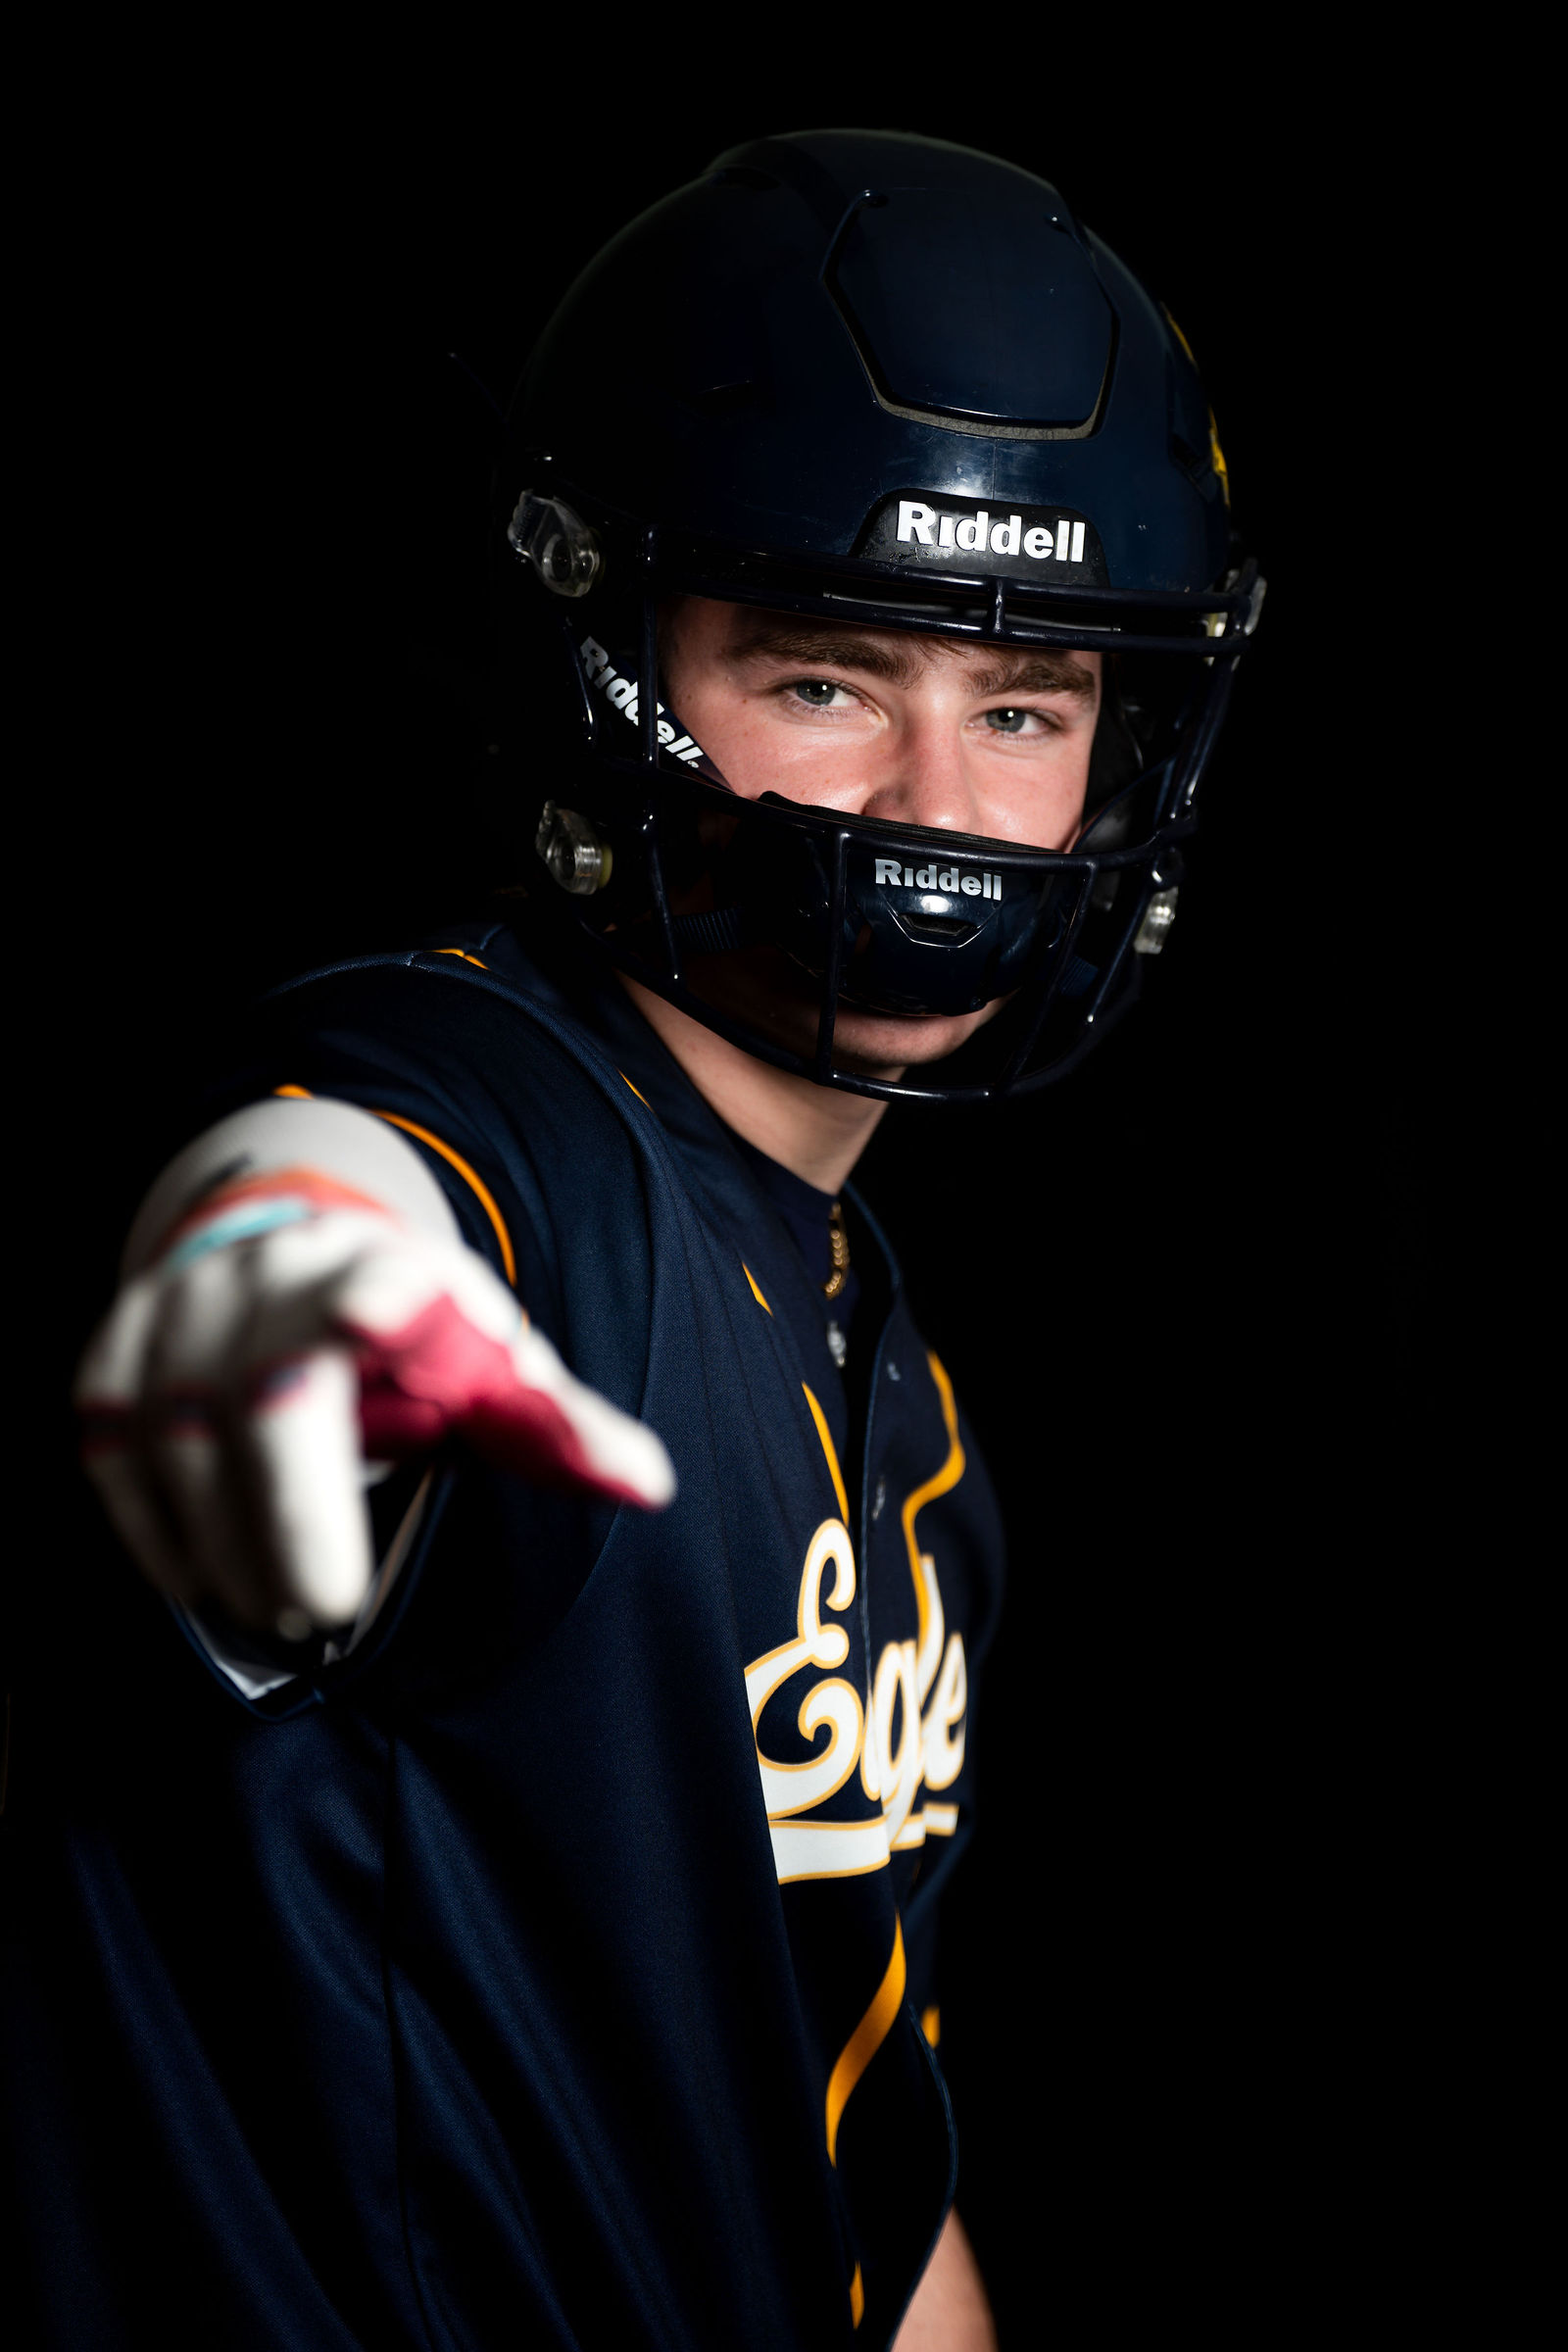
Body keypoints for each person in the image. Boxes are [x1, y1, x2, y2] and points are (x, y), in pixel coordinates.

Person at [9, 129, 1260, 2349]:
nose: (938, 808)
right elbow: (332, 1185)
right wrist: (279, 1305)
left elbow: (857, 2170)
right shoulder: (512, 1136)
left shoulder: (904, 1406)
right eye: (822, 680)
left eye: (1024, 708)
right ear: (618, 667)